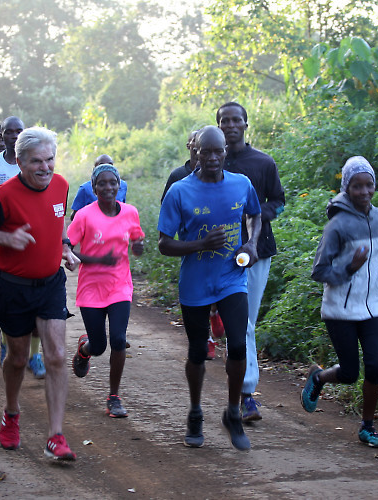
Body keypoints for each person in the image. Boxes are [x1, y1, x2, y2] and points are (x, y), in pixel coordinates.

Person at [0, 126, 81, 461]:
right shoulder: (3, 196)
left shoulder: (60, 185)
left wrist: (64, 248)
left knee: (58, 356)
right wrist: (7, 239)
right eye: (37, 162)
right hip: (14, 289)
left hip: (50, 284)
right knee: (17, 359)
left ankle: (55, 436)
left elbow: (56, 221)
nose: (45, 167)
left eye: (50, 160)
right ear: (20, 161)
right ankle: (11, 412)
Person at [158, 126, 261, 451]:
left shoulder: (241, 184)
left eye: (219, 151)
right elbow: (164, 244)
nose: (213, 157)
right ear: (196, 153)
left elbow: (255, 215)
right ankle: (195, 412)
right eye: (207, 152)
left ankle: (232, 412)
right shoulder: (179, 191)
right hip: (196, 283)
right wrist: (201, 243)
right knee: (197, 352)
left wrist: (252, 244)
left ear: (226, 152)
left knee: (238, 345)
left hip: (232, 279)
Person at [304, 156, 378, 448]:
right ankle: (319, 377)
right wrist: (349, 268)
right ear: (346, 188)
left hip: (374, 305)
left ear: (375, 185)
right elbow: (319, 271)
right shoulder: (337, 226)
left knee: (375, 367)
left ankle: (367, 427)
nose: (364, 192)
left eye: (368, 185)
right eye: (356, 186)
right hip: (340, 309)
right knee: (349, 374)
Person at [217, 101, 286, 423]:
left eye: (236, 120)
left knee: (245, 322)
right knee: (235, 323)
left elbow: (279, 201)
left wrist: (257, 216)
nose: (230, 125)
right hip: (217, 253)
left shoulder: (263, 163)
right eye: (224, 121)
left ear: (245, 125)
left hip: (256, 252)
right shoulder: (210, 161)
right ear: (218, 126)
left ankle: (246, 395)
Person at [68, 164, 145, 418]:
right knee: (99, 345)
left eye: (113, 183)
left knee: (119, 340)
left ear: (119, 185)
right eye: (102, 183)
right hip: (91, 288)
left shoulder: (130, 212)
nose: (108, 188)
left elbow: (136, 239)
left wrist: (138, 247)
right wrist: (97, 260)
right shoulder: (85, 216)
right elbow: (68, 249)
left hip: (120, 286)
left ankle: (114, 397)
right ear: (94, 188)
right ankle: (84, 350)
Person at [0, 116, 44, 376]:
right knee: (9, 299)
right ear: (0, 136)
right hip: (2, 247)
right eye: (8, 132)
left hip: (36, 244)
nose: (14, 136)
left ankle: (35, 356)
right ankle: (8, 346)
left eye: (19, 131)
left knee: (38, 305)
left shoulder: (37, 162)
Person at [161, 129, 224, 361]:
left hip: (219, 243)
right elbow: (167, 208)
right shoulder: (179, 176)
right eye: (195, 145)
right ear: (192, 146)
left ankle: (215, 312)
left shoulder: (220, 173)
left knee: (218, 282)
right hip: (192, 243)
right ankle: (206, 337)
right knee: (198, 288)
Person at [69, 154, 128, 221]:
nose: (106, 168)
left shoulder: (122, 185)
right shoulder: (85, 188)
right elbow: (75, 216)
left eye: (110, 165)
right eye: (101, 165)